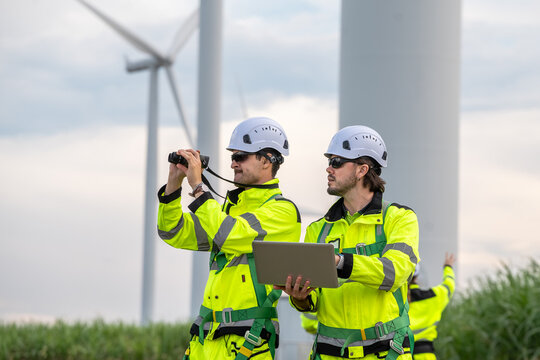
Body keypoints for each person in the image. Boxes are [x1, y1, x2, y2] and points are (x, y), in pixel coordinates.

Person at [157, 117, 302, 360]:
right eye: (232, 157)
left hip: (247, 343)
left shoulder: (282, 212)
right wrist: (173, 186)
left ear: (267, 160)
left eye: (241, 157)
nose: (233, 164)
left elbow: (230, 234)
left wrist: (198, 186)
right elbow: (173, 232)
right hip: (205, 342)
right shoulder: (225, 211)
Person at [277, 125, 420, 360]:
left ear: (362, 169)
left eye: (336, 162)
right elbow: (315, 301)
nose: (328, 168)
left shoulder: (399, 218)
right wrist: (300, 297)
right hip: (329, 354)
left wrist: (338, 262)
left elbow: (393, 273)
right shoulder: (317, 230)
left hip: (385, 353)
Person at [408, 253, 456, 359]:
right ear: (417, 276)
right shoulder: (434, 296)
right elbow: (449, 285)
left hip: (399, 355)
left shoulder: (393, 300)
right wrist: (448, 267)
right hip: (425, 355)